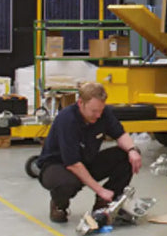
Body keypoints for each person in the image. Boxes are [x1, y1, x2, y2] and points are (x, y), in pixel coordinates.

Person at [36, 81, 143, 223]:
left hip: (86, 160)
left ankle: (104, 204)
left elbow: (120, 134)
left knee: (126, 157)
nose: (98, 115)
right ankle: (59, 205)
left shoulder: (103, 113)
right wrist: (100, 189)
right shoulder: (67, 120)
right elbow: (73, 164)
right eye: (94, 111)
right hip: (58, 166)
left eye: (100, 110)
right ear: (81, 103)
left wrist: (132, 150)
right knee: (68, 182)